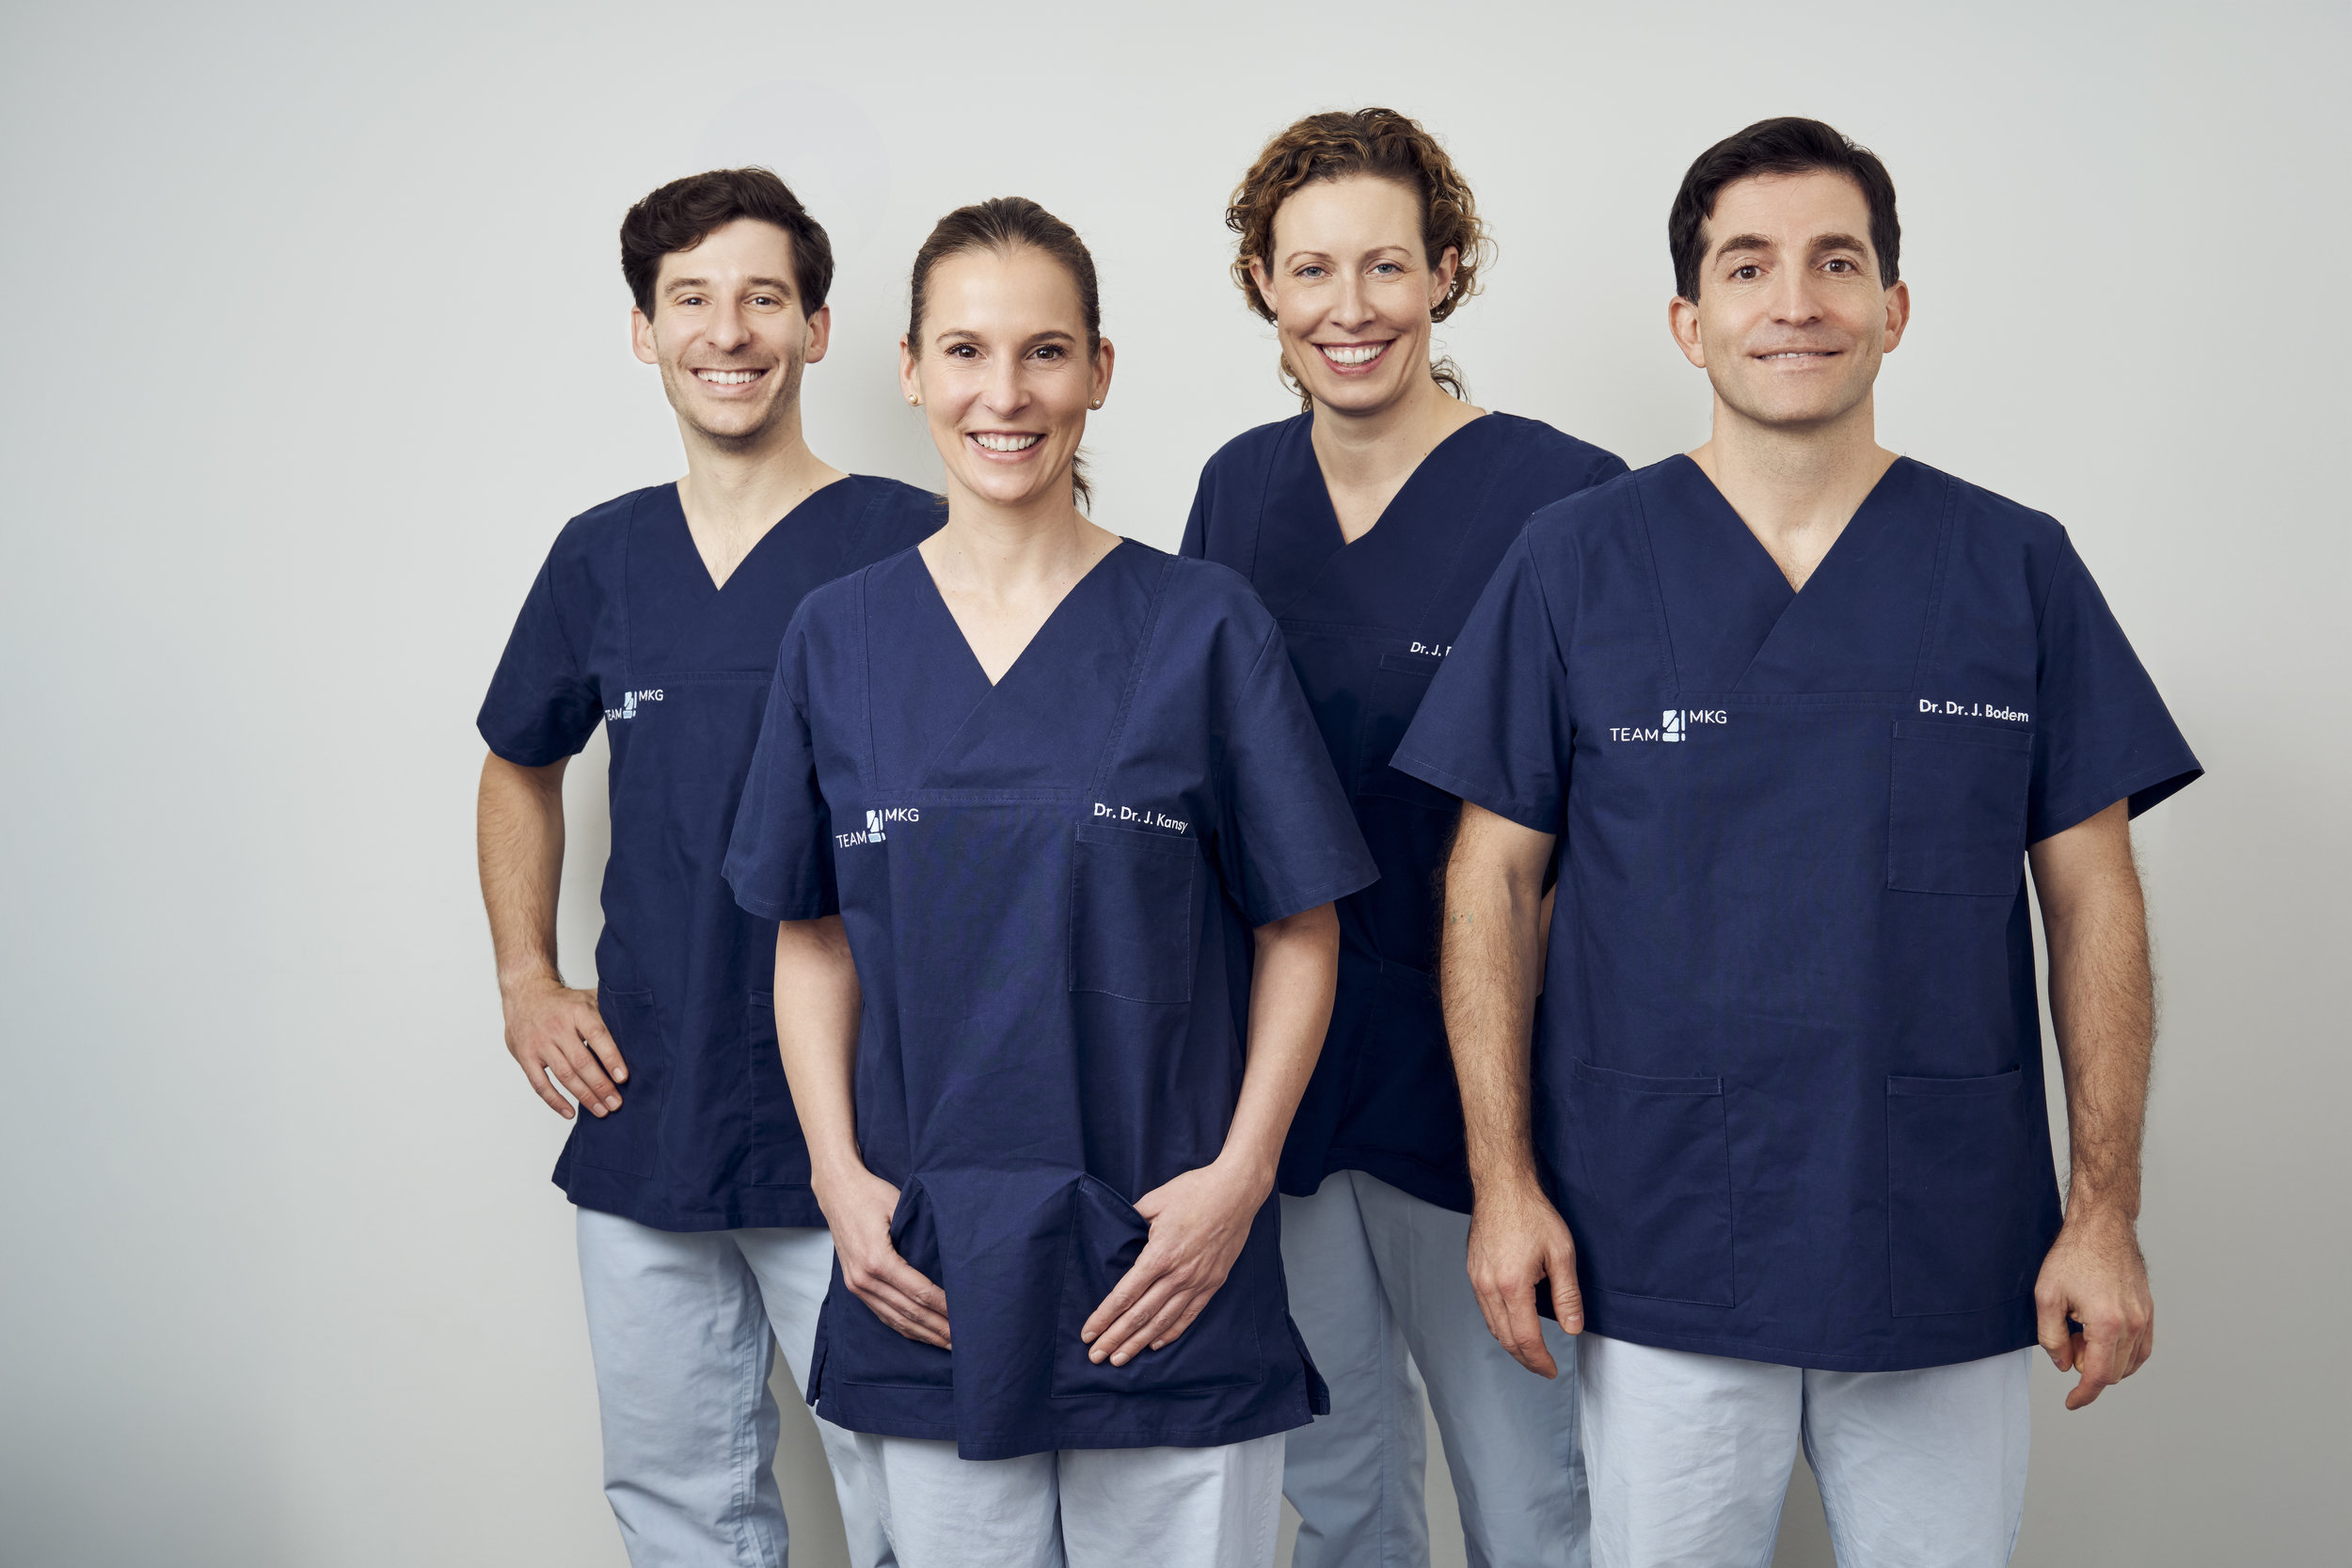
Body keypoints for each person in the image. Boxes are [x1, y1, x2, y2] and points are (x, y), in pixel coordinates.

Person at [1393, 118, 2201, 1566]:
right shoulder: (1576, 563)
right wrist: (1504, 1186)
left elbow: (2094, 902)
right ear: (1688, 321)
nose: (1795, 301)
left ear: (1894, 307)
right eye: (1748, 265)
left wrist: (2106, 1212)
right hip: (1655, 1225)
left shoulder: (2013, 566)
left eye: (1837, 263)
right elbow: (1491, 885)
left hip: (1940, 1224)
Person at [722, 195, 1377, 1568]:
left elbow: (1301, 926)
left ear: (1098, 371)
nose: (1005, 395)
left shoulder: (1203, 626)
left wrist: (1242, 1177)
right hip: (927, 1262)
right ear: (912, 372)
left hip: (1166, 1256)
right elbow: (812, 933)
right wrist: (838, 1178)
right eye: (965, 352)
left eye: (1045, 352)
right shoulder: (839, 638)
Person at [475, 167, 940, 1568]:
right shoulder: (602, 556)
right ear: (645, 331)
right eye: (691, 300)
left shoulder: (913, 543)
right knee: (678, 1507)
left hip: (865, 1122)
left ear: (816, 326)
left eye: (762, 299)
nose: (727, 332)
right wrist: (526, 977)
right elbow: (517, 762)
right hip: (651, 1100)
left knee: (917, 1496)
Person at [1181, 107, 1624, 1568]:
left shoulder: (1567, 499)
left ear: (1445, 270)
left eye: (1385, 265)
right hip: (1287, 1088)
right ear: (1263, 284)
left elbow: (1619, 828)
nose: (1349, 307)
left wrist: (1523, 1149)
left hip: (1488, 1099)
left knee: (1532, 1502)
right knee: (1340, 1494)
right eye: (1311, 270)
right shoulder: (1238, 493)